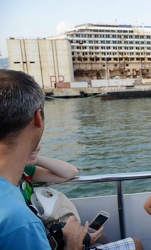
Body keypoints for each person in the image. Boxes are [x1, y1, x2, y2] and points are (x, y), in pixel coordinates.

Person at [0, 69, 143, 250]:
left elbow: (69, 172)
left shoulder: (14, 192)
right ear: (38, 118)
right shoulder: (20, 223)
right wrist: (73, 241)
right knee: (136, 244)